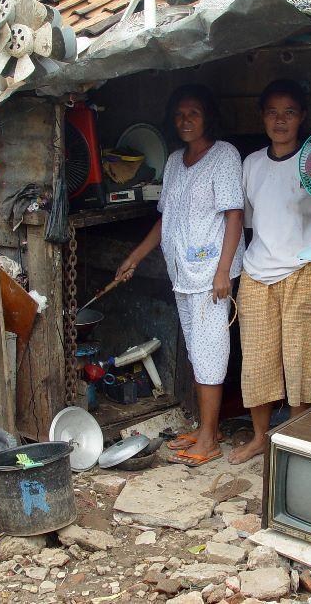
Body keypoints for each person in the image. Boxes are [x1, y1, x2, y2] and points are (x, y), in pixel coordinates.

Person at [115, 84, 245, 467]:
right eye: (179, 114)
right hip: (183, 272)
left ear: (208, 117)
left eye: (194, 113)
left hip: (210, 274)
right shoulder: (174, 161)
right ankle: (206, 428)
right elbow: (165, 219)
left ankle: (209, 439)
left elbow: (234, 215)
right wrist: (134, 258)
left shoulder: (224, 156)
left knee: (210, 354)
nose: (186, 120)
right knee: (196, 352)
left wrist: (223, 270)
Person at [229, 79, 311, 465]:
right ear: (262, 117)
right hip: (257, 273)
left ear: (301, 117)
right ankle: (260, 438)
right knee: (257, 360)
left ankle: (297, 444)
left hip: (307, 270)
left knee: (302, 359)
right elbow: (249, 220)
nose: (280, 120)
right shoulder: (252, 164)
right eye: (272, 112)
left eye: (289, 112)